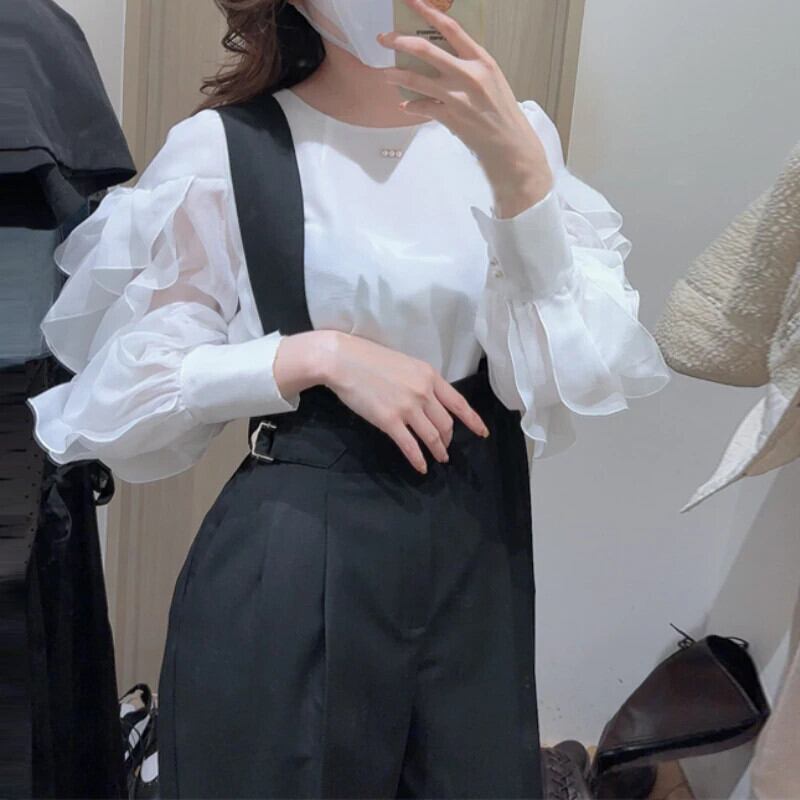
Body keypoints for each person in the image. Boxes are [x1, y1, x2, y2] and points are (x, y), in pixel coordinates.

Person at [26, 0, 670, 797]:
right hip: (294, 560)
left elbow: (584, 370)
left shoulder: (516, 135)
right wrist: (312, 356)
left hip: (479, 553)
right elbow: (123, 394)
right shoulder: (229, 148)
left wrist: (521, 176)